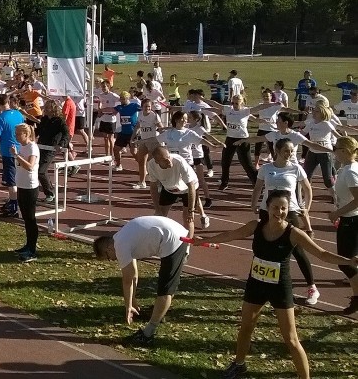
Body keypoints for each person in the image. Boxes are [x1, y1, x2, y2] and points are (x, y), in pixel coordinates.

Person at [200, 190, 358, 379]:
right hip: (256, 284)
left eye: (284, 208)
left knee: (291, 338)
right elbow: (229, 235)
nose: (280, 211)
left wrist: (349, 261)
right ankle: (239, 364)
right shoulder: (255, 226)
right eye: (276, 207)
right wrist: (203, 240)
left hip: (280, 288)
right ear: (267, 207)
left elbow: (322, 254)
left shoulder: (294, 233)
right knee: (246, 327)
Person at [93, 215, 191, 345]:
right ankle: (158, 313)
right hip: (173, 234)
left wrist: (128, 307)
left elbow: (127, 280)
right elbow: (134, 275)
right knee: (166, 286)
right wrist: (133, 302)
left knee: (165, 290)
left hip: (174, 240)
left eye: (109, 258)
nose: (112, 260)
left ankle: (148, 333)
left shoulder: (120, 246)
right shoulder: (121, 238)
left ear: (108, 249)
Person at [250, 138, 318, 304]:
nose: (290, 154)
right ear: (277, 151)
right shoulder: (266, 168)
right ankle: (265, 282)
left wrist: (306, 208)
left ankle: (312, 287)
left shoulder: (296, 169)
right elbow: (258, 188)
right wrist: (254, 204)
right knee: (264, 246)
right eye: (286, 151)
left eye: (292, 151)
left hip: (290, 212)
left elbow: (308, 190)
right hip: (268, 212)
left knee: (297, 250)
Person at [330, 136, 358, 314]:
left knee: (345, 262)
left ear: (345, 151)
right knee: (350, 260)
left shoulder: (350, 172)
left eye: (336, 148)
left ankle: (357, 298)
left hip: (352, 220)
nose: (334, 151)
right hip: (349, 219)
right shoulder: (346, 169)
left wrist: (337, 213)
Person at [147, 147, 197, 236]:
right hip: (169, 188)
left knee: (188, 219)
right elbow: (153, 187)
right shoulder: (151, 165)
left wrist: (191, 210)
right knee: (159, 216)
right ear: (157, 161)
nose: (169, 162)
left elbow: (191, 186)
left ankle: (187, 246)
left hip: (187, 189)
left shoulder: (179, 161)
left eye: (169, 158)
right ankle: (159, 239)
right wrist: (157, 208)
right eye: (165, 160)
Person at [0, 94, 25, 217]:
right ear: (8, 102)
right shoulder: (18, 114)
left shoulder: (0, 118)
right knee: (16, 178)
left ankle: (14, 207)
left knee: (11, 181)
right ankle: (12, 201)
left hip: (7, 152)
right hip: (19, 151)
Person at [10, 123, 41, 262]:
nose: (16, 136)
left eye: (18, 134)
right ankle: (28, 245)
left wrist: (16, 155)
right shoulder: (22, 146)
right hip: (21, 185)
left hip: (30, 187)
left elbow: (30, 166)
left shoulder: (32, 147)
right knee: (25, 218)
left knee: (30, 218)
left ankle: (32, 250)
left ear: (26, 134)